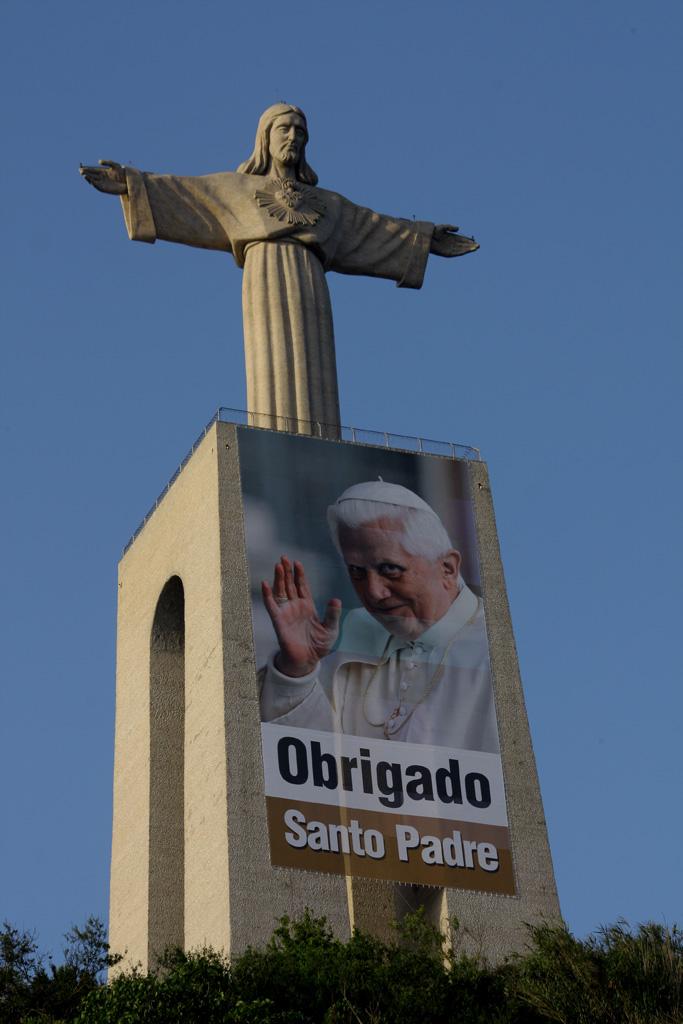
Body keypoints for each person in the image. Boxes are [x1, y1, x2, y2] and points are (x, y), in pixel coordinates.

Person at [79, 104, 478, 432]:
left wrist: (424, 240)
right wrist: (133, 185)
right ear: (265, 139)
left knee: (314, 376)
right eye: (284, 129)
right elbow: (186, 195)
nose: (292, 138)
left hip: (310, 280)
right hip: (264, 275)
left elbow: (373, 228)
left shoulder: (328, 204)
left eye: (300, 132)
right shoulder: (236, 190)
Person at [259, 481, 499, 752]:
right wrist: (297, 670)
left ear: (447, 568)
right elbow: (313, 765)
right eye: (357, 572)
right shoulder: (351, 635)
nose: (373, 593)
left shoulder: (496, 653)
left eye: (390, 569)